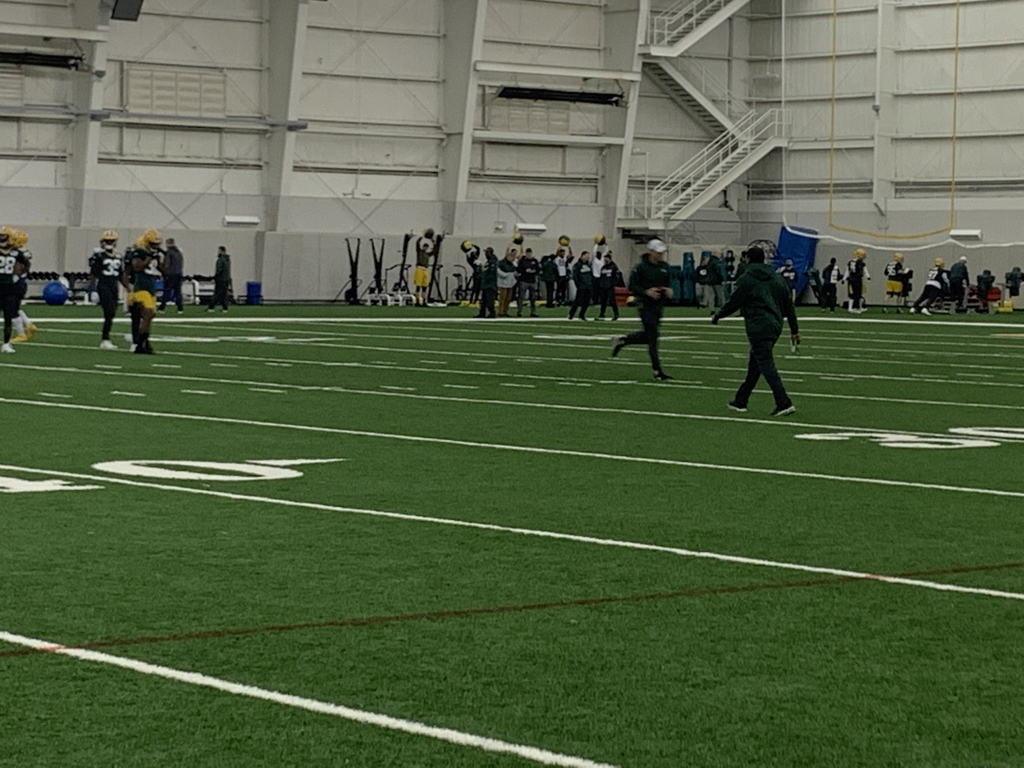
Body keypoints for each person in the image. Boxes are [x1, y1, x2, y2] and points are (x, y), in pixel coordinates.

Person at [711, 245, 799, 417]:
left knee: (766, 365)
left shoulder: (747, 279)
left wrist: (718, 315)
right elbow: (789, 305)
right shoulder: (777, 278)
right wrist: (794, 330)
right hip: (775, 325)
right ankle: (740, 400)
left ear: (748, 259)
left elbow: (734, 301)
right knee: (756, 365)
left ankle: (783, 402)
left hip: (758, 326)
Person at [611, 239, 672, 380]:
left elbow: (667, 284)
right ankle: (657, 371)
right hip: (645, 306)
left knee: (649, 336)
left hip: (658, 306)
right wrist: (646, 292)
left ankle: (624, 340)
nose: (661, 255)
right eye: (658, 252)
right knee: (653, 338)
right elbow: (632, 286)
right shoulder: (641, 267)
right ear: (651, 251)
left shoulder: (664, 267)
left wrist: (668, 291)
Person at [125, 229, 164, 354]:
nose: (155, 246)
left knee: (150, 316)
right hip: (141, 287)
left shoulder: (155, 254)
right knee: (147, 313)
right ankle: (140, 343)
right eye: (153, 244)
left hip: (151, 287)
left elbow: (164, 270)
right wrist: (149, 257)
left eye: (157, 244)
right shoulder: (140, 252)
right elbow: (137, 267)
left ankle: (144, 341)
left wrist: (165, 256)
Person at [89, 229, 123, 349]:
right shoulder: (98, 256)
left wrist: (129, 288)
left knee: (112, 312)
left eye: (111, 241)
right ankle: (105, 338)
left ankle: (106, 338)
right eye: (107, 241)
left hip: (114, 285)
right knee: (109, 311)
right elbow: (93, 274)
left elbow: (121, 275)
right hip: (104, 285)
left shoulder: (119, 256)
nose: (109, 243)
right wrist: (93, 290)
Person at [0, 226, 29, 353]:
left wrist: (19, 274)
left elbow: (26, 264)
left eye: (3, 235)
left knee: (8, 317)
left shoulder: (16, 252)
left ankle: (6, 343)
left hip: (10, 287)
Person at [8, 229, 34, 344]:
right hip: (20, 284)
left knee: (11, 309)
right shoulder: (23, 253)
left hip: (15, 284)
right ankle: (28, 324)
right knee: (15, 308)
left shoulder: (16, 254)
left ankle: (21, 333)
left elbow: (15, 269)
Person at [159, 237, 185, 313]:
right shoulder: (179, 253)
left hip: (170, 274)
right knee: (178, 292)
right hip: (179, 273)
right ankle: (180, 308)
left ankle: (162, 307)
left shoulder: (168, 253)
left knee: (167, 291)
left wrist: (164, 271)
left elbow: (167, 264)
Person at [413, 228, 437, 306]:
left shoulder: (428, 254)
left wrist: (433, 241)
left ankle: (424, 301)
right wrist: (421, 238)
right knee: (418, 286)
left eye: (426, 247)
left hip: (425, 270)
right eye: (424, 246)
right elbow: (417, 245)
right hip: (419, 269)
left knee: (425, 286)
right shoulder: (420, 252)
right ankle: (417, 301)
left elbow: (435, 250)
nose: (425, 248)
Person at [568, 251, 593, 320]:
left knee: (586, 301)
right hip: (582, 286)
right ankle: (571, 314)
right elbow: (575, 276)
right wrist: (578, 285)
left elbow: (590, 276)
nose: (588, 257)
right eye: (586, 256)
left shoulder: (588, 265)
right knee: (578, 301)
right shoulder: (577, 265)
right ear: (582, 256)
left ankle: (582, 315)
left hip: (588, 286)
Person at [516, 247, 540, 317]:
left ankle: (533, 312)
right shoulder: (523, 261)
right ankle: (519, 311)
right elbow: (519, 269)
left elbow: (538, 269)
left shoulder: (535, 261)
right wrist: (525, 271)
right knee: (521, 297)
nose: (529, 255)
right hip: (524, 280)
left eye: (530, 253)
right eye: (528, 253)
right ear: (526, 253)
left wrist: (533, 271)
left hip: (532, 281)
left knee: (533, 298)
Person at [597, 251, 622, 320]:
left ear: (609, 258)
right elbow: (601, 277)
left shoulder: (613, 267)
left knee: (612, 301)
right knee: (603, 301)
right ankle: (602, 314)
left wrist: (612, 284)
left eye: (606, 258)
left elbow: (616, 277)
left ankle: (616, 314)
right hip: (603, 286)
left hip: (609, 287)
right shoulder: (603, 267)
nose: (605, 259)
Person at [475, 247, 498, 318]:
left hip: (490, 285)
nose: (485, 254)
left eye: (486, 252)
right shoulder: (488, 262)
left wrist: (485, 278)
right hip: (485, 284)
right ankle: (482, 312)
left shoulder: (493, 262)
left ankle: (492, 312)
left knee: (489, 300)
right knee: (483, 300)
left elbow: (491, 274)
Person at [209, 246, 232, 312]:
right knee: (223, 294)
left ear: (221, 251)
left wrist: (215, 277)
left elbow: (219, 270)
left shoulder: (220, 260)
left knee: (217, 293)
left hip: (220, 279)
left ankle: (211, 307)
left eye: (219, 250)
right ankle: (225, 308)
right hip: (226, 279)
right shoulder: (227, 260)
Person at [845, 248, 869, 312]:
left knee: (855, 294)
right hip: (856, 279)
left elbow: (847, 271)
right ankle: (855, 307)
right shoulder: (860, 262)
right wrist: (867, 276)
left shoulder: (850, 262)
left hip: (851, 278)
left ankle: (856, 307)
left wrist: (844, 278)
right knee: (857, 294)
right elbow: (864, 270)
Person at [496, 246, 517, 317]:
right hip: (503, 283)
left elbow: (514, 272)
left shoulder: (512, 265)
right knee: (502, 298)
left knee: (508, 298)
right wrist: (504, 275)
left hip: (510, 284)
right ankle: (500, 311)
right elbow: (497, 270)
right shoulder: (501, 263)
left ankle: (505, 311)